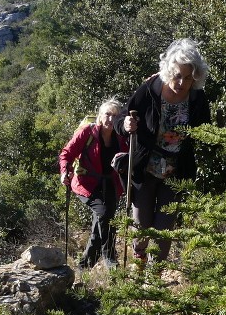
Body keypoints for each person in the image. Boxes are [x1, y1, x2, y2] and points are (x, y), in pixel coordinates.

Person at [118, 38, 211, 263]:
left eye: (188, 77)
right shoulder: (150, 90)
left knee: (164, 227)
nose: (181, 82)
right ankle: (139, 259)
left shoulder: (198, 97)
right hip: (146, 167)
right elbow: (123, 116)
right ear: (169, 71)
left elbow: (206, 130)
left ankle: (155, 275)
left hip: (176, 171)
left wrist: (218, 139)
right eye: (178, 75)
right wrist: (125, 125)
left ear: (195, 76)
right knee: (141, 223)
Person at [58, 98, 129, 269]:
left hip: (111, 184)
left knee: (103, 222)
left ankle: (84, 265)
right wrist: (64, 172)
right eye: (107, 114)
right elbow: (67, 153)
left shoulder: (121, 136)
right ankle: (110, 259)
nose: (111, 119)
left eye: (115, 116)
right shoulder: (88, 133)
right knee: (104, 214)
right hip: (86, 184)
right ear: (99, 116)